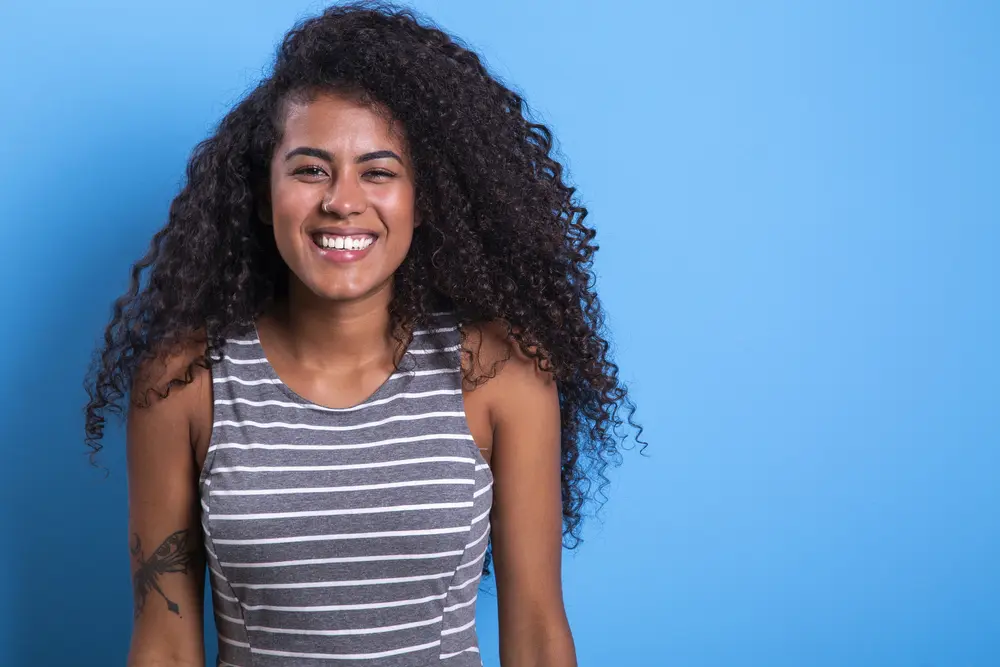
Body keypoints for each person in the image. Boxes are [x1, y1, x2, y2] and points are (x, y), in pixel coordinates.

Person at [84, 3, 640, 665]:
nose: (343, 200)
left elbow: (539, 634)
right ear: (265, 195)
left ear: (420, 199)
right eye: (310, 169)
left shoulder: (501, 371)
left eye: (378, 171)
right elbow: (164, 645)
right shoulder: (183, 382)